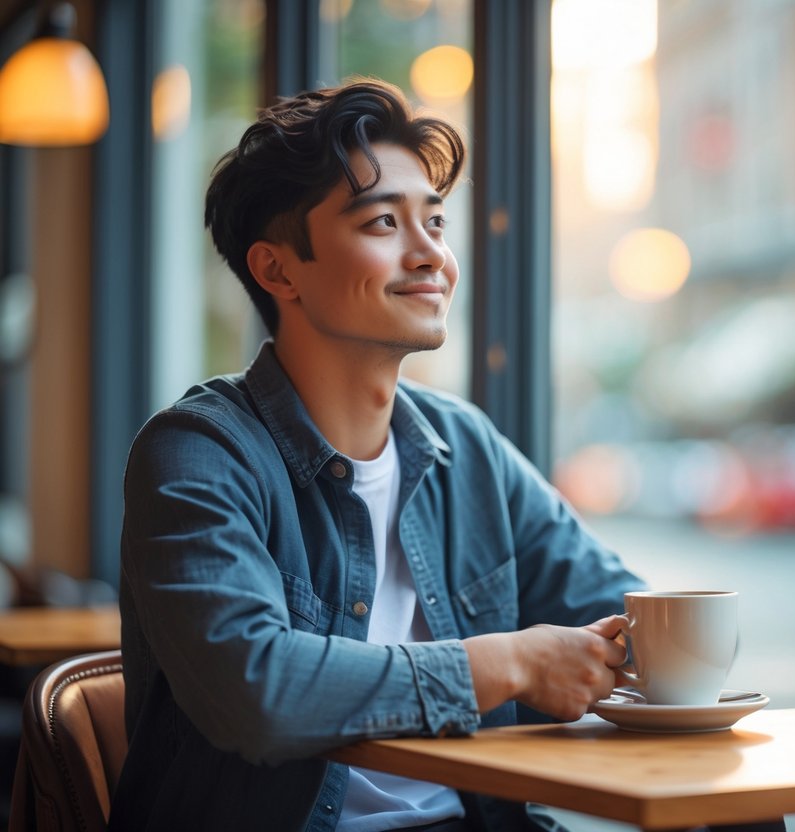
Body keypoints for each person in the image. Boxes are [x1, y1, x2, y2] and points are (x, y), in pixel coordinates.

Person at [109, 79, 642, 832]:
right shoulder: (196, 454)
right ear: (277, 270)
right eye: (385, 222)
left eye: (434, 221)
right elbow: (258, 692)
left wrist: (672, 639)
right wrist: (513, 664)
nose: (430, 255)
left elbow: (623, 611)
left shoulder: (465, 446)